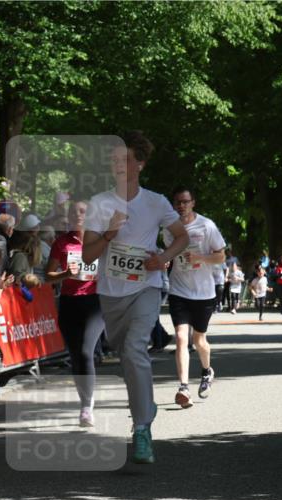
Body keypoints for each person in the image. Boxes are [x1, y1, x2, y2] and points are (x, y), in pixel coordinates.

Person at [81, 132, 189, 463]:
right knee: (125, 355)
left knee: (134, 349)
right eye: (113, 159)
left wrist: (163, 257)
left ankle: (142, 427)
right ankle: (146, 406)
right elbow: (87, 255)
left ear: (139, 164)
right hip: (111, 292)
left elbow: (181, 237)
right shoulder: (100, 203)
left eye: (123, 159)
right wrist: (110, 234)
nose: (117, 164)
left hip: (147, 286)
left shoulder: (156, 202)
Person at [164, 187, 226, 409]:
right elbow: (169, 254)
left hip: (204, 293)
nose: (181, 206)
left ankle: (207, 371)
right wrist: (164, 260)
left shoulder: (206, 225)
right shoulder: (169, 229)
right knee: (181, 338)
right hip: (179, 290)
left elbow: (221, 256)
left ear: (193, 203)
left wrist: (200, 257)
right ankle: (183, 387)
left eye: (185, 202)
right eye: (177, 202)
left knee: (200, 341)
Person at [45, 199, 104, 427]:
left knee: (86, 351)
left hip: (95, 302)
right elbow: (48, 275)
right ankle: (85, 402)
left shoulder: (100, 241)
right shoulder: (61, 243)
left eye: (82, 212)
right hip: (69, 303)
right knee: (76, 355)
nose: (77, 215)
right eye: (73, 212)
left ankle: (87, 408)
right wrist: (65, 274)